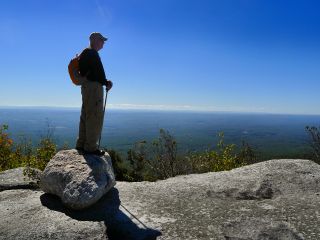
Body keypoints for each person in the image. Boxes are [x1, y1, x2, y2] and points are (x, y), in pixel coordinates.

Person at [75, 32, 113, 156]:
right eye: (102, 40)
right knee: (95, 116)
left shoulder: (85, 53)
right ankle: (91, 147)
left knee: (86, 114)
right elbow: (98, 73)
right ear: (95, 40)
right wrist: (106, 82)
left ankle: (81, 144)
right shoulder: (92, 53)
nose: (103, 43)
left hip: (86, 87)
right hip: (93, 88)